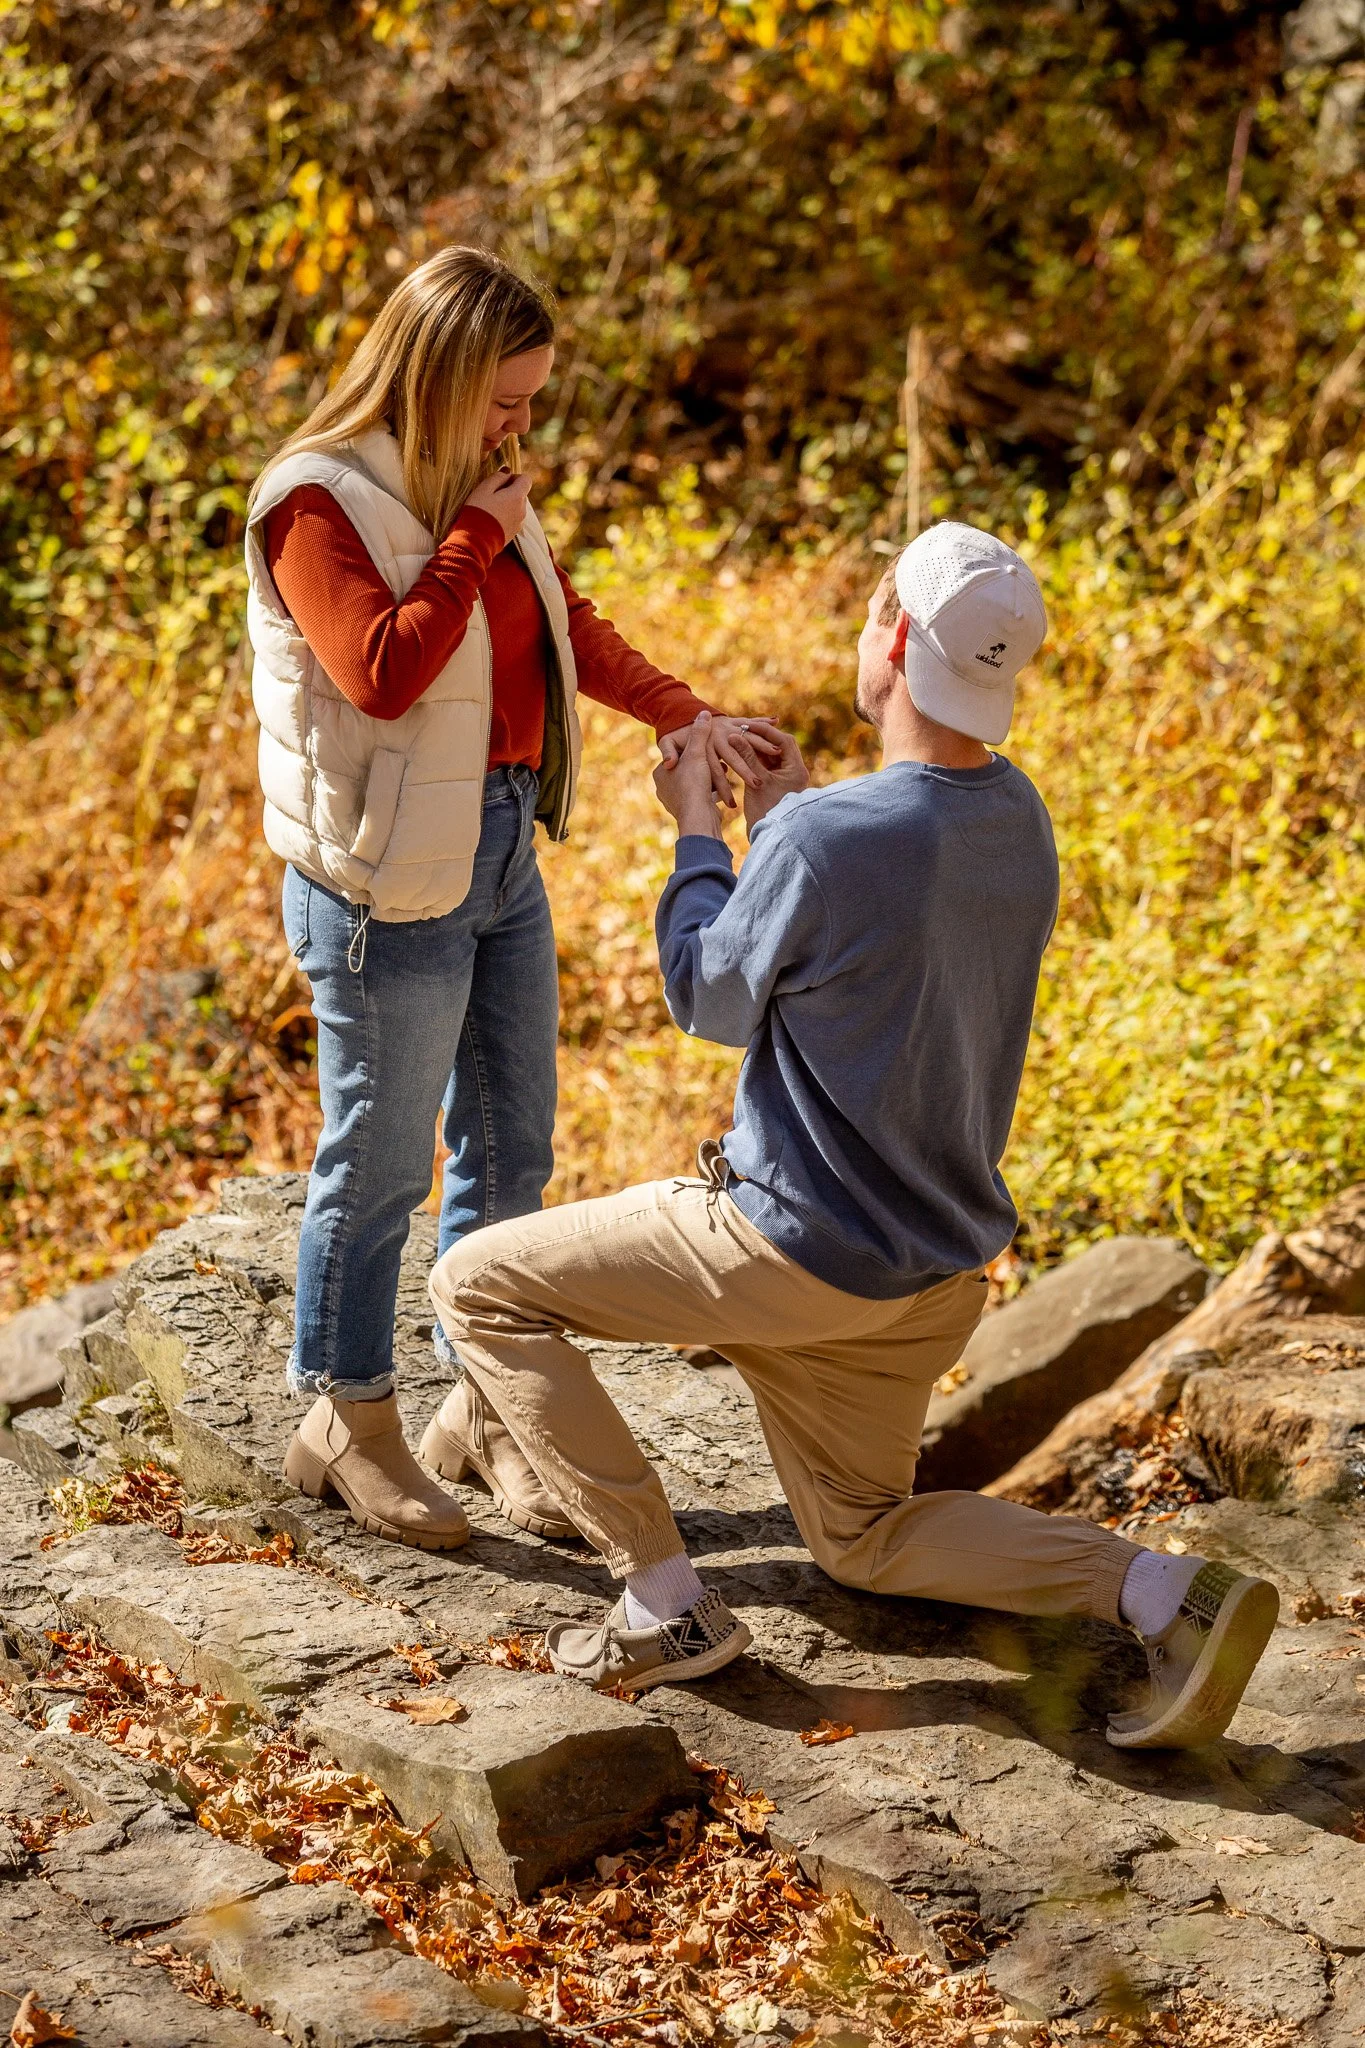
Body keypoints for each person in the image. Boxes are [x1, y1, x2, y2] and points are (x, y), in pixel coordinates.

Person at [427, 520, 1280, 1750]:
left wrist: (702, 834)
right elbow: (889, 894)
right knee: (866, 1537)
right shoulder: (1016, 817)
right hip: (930, 1280)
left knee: (477, 1283)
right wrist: (788, 818)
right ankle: (1165, 1589)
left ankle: (664, 1603)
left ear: (887, 640)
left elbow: (710, 997)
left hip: (782, 1255)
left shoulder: (826, 842)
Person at [244, 245, 777, 1551]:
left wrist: (689, 713)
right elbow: (382, 670)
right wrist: (479, 527)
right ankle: (344, 1418)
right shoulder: (316, 501)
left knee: (509, 1146)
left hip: (496, 857)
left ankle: (483, 1414)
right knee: (378, 1168)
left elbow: (556, 622)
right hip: (384, 888)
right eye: (506, 401)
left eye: (530, 404)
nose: (521, 428)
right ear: (433, 377)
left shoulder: (474, 487)